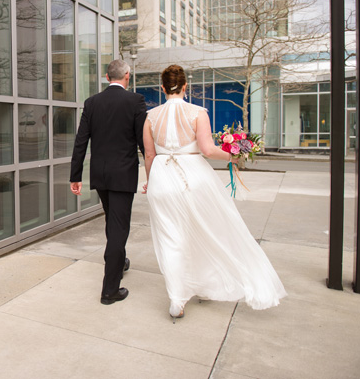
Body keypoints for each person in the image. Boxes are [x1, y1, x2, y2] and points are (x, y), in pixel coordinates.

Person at [143, 65, 286, 321]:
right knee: (204, 232)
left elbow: (150, 155)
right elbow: (208, 150)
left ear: (162, 88)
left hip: (161, 180)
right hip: (194, 179)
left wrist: (149, 181)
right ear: (185, 86)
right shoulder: (198, 112)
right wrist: (237, 152)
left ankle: (177, 299)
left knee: (171, 240)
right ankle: (205, 287)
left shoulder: (151, 117)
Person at [70, 59, 147, 305]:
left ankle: (119, 261)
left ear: (106, 77)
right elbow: (143, 141)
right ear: (127, 75)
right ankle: (110, 290)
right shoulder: (135, 101)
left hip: (101, 175)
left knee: (112, 220)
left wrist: (75, 175)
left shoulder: (92, 103)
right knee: (119, 227)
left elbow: (81, 141)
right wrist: (153, 172)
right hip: (124, 174)